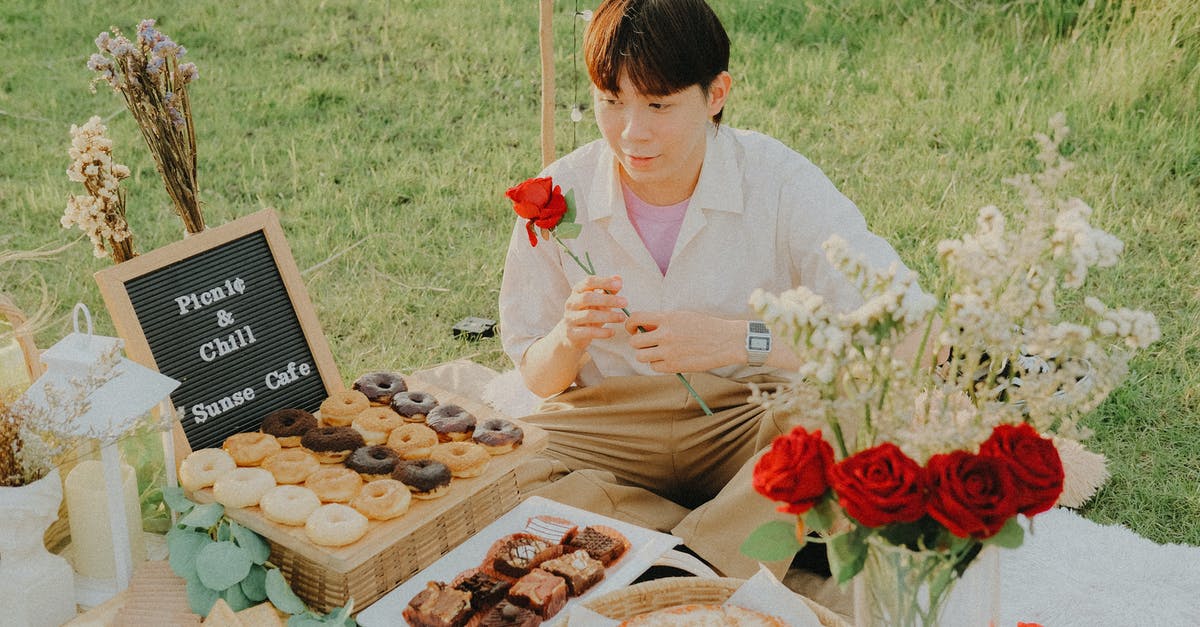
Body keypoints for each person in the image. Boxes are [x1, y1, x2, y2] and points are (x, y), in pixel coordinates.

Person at [499, 0, 918, 579]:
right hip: (615, 425)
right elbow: (536, 377)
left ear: (716, 94)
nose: (632, 132)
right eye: (611, 102)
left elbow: (906, 329)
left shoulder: (779, 179)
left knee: (850, 421)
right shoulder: (557, 192)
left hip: (750, 416)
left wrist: (738, 340)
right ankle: (736, 535)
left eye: (659, 104)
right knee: (498, 466)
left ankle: (679, 557)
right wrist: (568, 337)